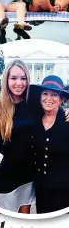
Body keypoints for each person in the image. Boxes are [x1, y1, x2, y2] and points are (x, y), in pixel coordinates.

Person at [0, 60, 35, 213]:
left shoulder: (32, 104)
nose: (19, 83)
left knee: (24, 217)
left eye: (23, 78)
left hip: (28, 175)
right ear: (6, 80)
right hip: (6, 175)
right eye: (14, 78)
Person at [29, 75, 69, 214]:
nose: (48, 98)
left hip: (64, 189)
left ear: (61, 99)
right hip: (41, 187)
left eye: (54, 95)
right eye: (45, 94)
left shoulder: (67, 121)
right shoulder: (34, 119)